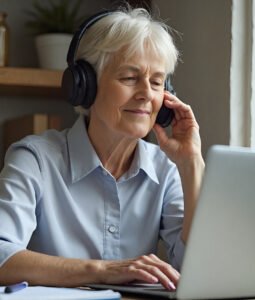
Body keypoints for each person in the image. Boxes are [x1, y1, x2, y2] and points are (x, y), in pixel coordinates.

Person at [0, 7, 204, 290]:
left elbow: (199, 271)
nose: (146, 93)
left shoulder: (165, 171)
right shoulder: (35, 159)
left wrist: (191, 163)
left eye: (157, 82)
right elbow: (2, 256)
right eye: (130, 78)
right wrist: (102, 270)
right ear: (86, 86)